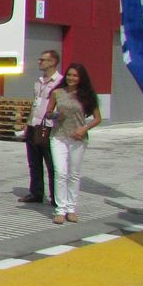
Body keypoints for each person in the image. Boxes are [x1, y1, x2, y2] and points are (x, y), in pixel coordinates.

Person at [45, 62, 101, 225]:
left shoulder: (87, 95)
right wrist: (54, 115)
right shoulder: (57, 93)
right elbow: (48, 114)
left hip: (78, 138)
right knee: (60, 172)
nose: (71, 78)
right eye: (69, 75)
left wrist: (84, 128)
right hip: (58, 136)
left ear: (81, 78)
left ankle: (71, 208)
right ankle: (60, 210)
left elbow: (97, 118)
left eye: (75, 75)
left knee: (74, 174)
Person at [19, 50, 62, 206]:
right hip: (34, 125)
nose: (39, 62)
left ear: (52, 62)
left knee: (51, 163)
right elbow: (35, 103)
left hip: (49, 127)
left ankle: (56, 196)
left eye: (43, 60)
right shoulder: (39, 82)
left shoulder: (59, 83)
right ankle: (36, 192)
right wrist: (27, 123)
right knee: (34, 162)